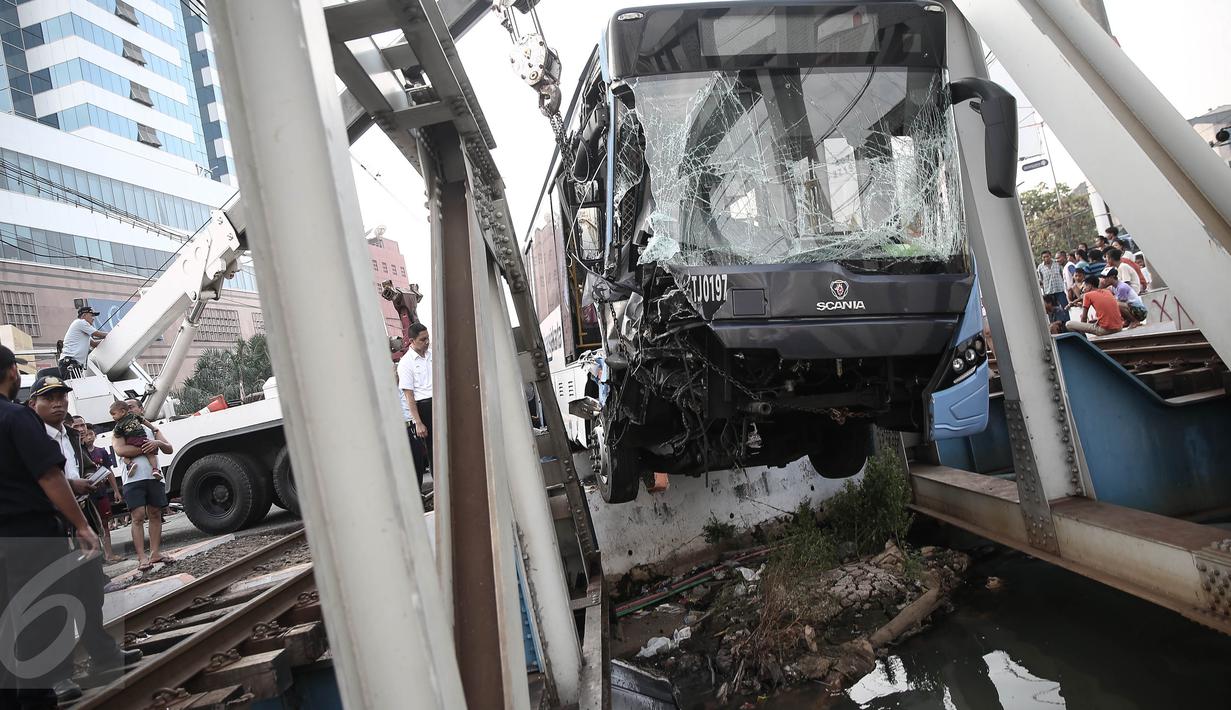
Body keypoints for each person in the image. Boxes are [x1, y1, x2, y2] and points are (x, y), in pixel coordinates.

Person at [5, 370, 140, 704]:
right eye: (49, 398)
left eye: (62, 397)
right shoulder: (25, 428)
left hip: (78, 517)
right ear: (32, 401)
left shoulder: (72, 434)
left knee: (89, 589)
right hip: (48, 525)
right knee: (54, 599)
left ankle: (102, 650)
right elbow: (45, 478)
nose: (58, 404)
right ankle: (59, 674)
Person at [112, 398, 174, 571]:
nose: (127, 409)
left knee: (155, 513)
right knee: (137, 516)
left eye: (131, 406)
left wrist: (158, 443)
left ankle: (155, 553)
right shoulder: (121, 428)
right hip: (132, 480)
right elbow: (120, 450)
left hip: (154, 477)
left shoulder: (151, 428)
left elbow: (169, 448)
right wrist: (150, 448)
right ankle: (141, 557)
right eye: (125, 407)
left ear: (141, 410)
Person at [81, 424, 124, 563]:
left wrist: (116, 490)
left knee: (105, 523)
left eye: (91, 434)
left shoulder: (101, 452)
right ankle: (96, 557)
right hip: (86, 495)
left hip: (101, 493)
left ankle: (109, 554)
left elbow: (108, 471)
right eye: (86, 435)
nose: (88, 437)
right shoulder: (80, 453)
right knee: (89, 525)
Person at [397, 324, 432, 490]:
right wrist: (417, 422)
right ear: (412, 341)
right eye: (422, 339)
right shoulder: (405, 363)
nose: (427, 342)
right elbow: (408, 395)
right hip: (423, 407)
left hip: (438, 401)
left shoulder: (433, 355)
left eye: (428, 338)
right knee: (433, 450)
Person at [110, 401, 162, 480]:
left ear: (123, 412)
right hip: (142, 439)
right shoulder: (134, 416)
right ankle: (155, 469)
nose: (112, 417)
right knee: (150, 454)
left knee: (125, 457)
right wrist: (153, 428)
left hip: (131, 442)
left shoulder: (118, 426)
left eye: (114, 414)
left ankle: (131, 464)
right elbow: (144, 421)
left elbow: (117, 435)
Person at [60, 306, 108, 377]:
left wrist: (108, 339)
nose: (93, 318)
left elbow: (94, 344)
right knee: (76, 386)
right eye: (91, 315)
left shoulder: (83, 332)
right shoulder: (80, 322)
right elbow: (98, 334)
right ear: (84, 315)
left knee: (78, 386)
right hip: (70, 363)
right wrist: (113, 334)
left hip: (72, 363)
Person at [1036, 250, 1066, 316]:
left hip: (1059, 290)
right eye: (1044, 257)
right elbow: (1041, 280)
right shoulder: (1040, 267)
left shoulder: (1057, 263)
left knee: (1064, 308)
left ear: (1050, 256)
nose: (1046, 258)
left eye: (1047, 256)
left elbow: (1062, 275)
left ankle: (1067, 323)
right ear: (1042, 258)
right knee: (1052, 311)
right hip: (1049, 292)